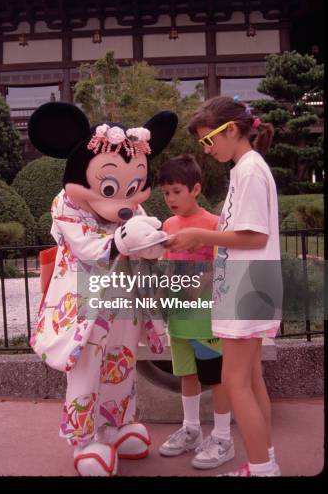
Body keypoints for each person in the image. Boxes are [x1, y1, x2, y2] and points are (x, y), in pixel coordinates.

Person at [28, 101, 177, 477]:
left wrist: (154, 243)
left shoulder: (135, 210)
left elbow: (140, 241)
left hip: (123, 297)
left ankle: (116, 426)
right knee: (87, 368)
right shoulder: (66, 205)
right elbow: (88, 249)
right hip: (84, 303)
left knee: (122, 363)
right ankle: (84, 439)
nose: (124, 201)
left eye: (134, 187)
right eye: (111, 187)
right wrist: (126, 240)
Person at [166, 96, 281, 477]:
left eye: (208, 140)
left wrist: (201, 234)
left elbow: (252, 237)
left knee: (235, 382)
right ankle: (267, 461)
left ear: (231, 130)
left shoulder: (248, 171)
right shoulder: (248, 168)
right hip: (251, 286)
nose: (207, 149)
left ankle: (262, 467)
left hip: (246, 286)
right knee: (249, 379)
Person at [157, 154, 234, 470]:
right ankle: (190, 429)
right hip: (178, 315)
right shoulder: (167, 225)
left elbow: (223, 263)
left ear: (196, 189)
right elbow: (164, 262)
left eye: (176, 190)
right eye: (165, 192)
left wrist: (200, 280)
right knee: (186, 372)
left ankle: (223, 436)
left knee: (215, 377)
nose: (171, 198)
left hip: (205, 316)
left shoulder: (213, 224)